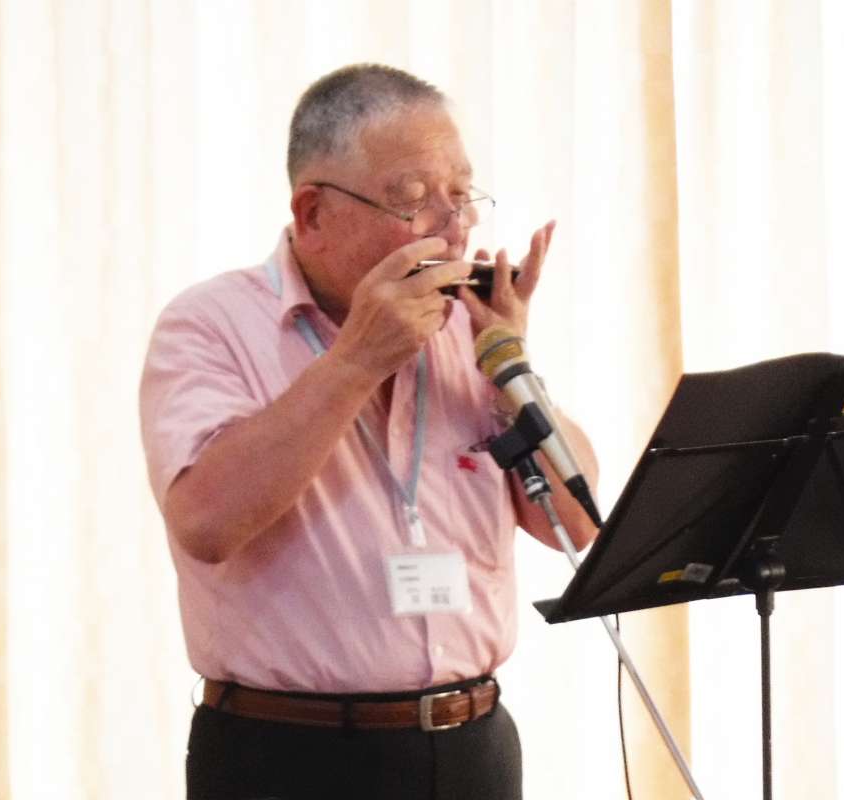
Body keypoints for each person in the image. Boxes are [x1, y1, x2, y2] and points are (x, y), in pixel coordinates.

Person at [139, 63, 600, 800]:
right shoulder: (209, 324)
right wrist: (357, 360)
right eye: (414, 200)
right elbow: (206, 523)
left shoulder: (467, 330)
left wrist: (509, 362)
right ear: (313, 213)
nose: (454, 226)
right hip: (287, 755)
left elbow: (575, 525)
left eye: (461, 196)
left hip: (472, 745)